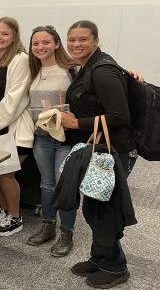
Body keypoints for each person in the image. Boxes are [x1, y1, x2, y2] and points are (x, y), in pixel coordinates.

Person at [60, 20, 137, 289]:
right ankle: (99, 257)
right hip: (98, 148)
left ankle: (116, 267)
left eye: (82, 39)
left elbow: (119, 116)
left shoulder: (102, 71)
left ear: (96, 40)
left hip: (114, 151)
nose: (76, 44)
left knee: (104, 211)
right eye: (72, 40)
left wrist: (77, 124)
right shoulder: (88, 67)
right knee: (94, 207)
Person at [25, 26, 80, 255]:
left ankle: (67, 233)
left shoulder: (72, 69)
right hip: (41, 137)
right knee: (47, 183)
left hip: (65, 138)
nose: (40, 47)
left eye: (46, 42)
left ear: (57, 44)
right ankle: (48, 225)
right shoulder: (31, 69)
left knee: (64, 184)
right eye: (36, 43)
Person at [0, 16, 34, 236]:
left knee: (5, 173)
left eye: (5, 33)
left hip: (14, 128)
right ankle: (5, 210)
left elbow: (16, 99)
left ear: (14, 37)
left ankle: (15, 217)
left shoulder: (21, 59)